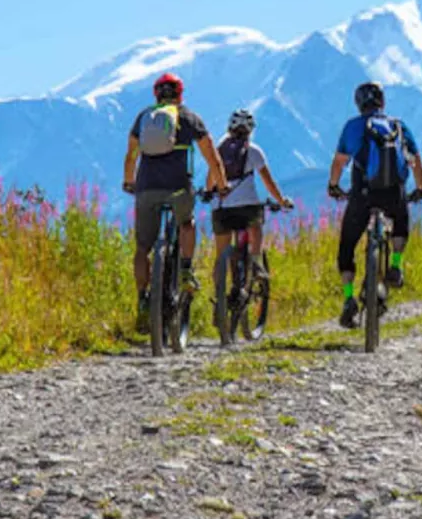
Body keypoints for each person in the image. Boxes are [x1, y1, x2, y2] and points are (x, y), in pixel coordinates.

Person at [121, 72, 226, 329]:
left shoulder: (144, 119)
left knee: (143, 248)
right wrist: (221, 185)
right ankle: (187, 269)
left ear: (156, 94)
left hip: (146, 189)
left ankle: (143, 298)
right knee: (187, 224)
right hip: (178, 188)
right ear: (180, 94)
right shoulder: (189, 118)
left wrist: (129, 182)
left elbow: (131, 156)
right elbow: (212, 157)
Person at [326, 81, 422, 328]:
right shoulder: (398, 126)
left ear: (358, 103)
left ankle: (349, 298)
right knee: (401, 221)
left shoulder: (353, 127)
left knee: (347, 244)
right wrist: (421, 189)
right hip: (394, 193)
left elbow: (339, 162)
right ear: (382, 102)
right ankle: (395, 266)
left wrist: (334, 185)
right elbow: (416, 163)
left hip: (362, 194)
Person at [208, 109, 293, 323]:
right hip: (247, 207)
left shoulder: (219, 150)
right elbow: (268, 182)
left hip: (222, 208)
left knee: (221, 257)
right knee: (256, 224)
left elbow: (211, 181)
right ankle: (256, 262)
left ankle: (219, 299)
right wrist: (282, 201)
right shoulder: (254, 151)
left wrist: (210, 192)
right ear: (250, 131)